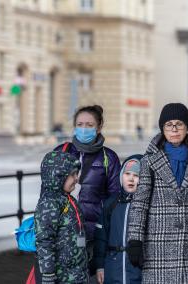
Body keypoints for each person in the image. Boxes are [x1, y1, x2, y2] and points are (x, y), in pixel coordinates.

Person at [127, 103, 188, 284]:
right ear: (162, 128)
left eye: (179, 124)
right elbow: (140, 203)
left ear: (187, 128)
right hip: (158, 244)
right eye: (169, 124)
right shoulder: (149, 161)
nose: (174, 129)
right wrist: (135, 239)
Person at [54, 105, 122, 275]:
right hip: (63, 231)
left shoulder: (109, 157)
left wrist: (107, 232)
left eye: (89, 125)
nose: (84, 129)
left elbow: (115, 199)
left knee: (87, 276)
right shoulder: (62, 152)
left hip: (93, 234)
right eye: (80, 124)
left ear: (99, 127)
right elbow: (48, 191)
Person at [35, 151, 88, 284]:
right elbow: (45, 241)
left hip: (77, 272)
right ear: (58, 176)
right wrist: (48, 274)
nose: (77, 178)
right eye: (73, 175)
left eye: (77, 174)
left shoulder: (69, 199)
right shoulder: (49, 203)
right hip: (61, 276)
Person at [93, 154, 143, 284]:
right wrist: (99, 266)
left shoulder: (148, 206)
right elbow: (101, 237)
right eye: (127, 174)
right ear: (121, 176)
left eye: (136, 175)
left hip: (138, 269)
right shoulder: (111, 203)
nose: (131, 179)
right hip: (113, 268)